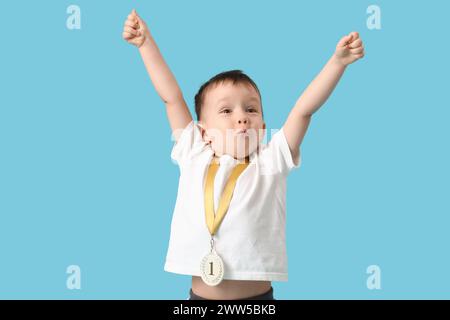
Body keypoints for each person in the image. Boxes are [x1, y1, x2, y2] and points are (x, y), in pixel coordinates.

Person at [122, 9, 365, 300]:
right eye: (226, 110)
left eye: (251, 109)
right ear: (202, 132)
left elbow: (304, 110)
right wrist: (146, 44)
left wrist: (337, 63)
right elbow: (171, 96)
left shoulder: (271, 160)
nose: (242, 118)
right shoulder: (193, 153)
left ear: (262, 128)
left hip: (258, 303)